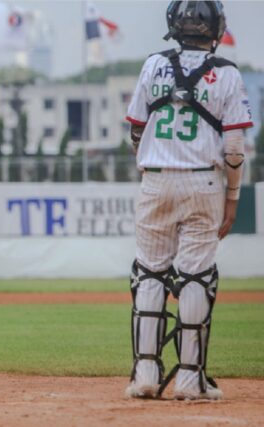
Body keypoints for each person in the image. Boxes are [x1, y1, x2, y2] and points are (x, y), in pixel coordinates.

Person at [124, 0, 252, 400]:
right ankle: (189, 379)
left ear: (174, 25)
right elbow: (234, 148)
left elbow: (136, 130)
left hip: (155, 179)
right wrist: (233, 197)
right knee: (197, 275)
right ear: (216, 28)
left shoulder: (153, 65)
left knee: (149, 272)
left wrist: (153, 165)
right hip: (204, 182)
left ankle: (145, 374)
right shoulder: (227, 73)